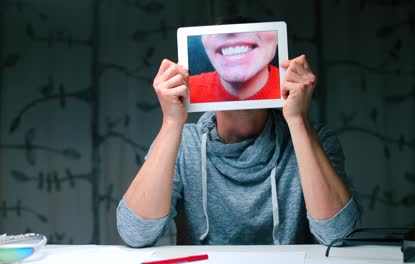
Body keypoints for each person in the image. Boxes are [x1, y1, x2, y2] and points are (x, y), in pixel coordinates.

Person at [116, 24, 360, 247]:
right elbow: (136, 234)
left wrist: (298, 121)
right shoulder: (183, 143)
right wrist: (171, 123)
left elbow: (337, 235)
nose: (233, 37)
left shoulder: (314, 139)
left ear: (274, 44)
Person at [189, 30, 281, 103]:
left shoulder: (291, 91)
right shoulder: (184, 92)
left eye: (252, 22)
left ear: (278, 36)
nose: (231, 32)